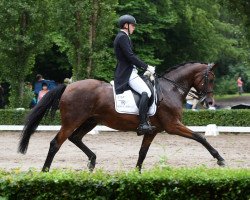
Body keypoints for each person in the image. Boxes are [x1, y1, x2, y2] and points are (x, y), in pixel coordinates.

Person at [114, 14, 156, 135]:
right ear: (126, 25)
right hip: (126, 73)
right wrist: (146, 66)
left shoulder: (124, 36)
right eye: (132, 25)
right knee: (146, 92)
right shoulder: (122, 37)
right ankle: (142, 124)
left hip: (129, 71)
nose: (134, 27)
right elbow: (130, 56)